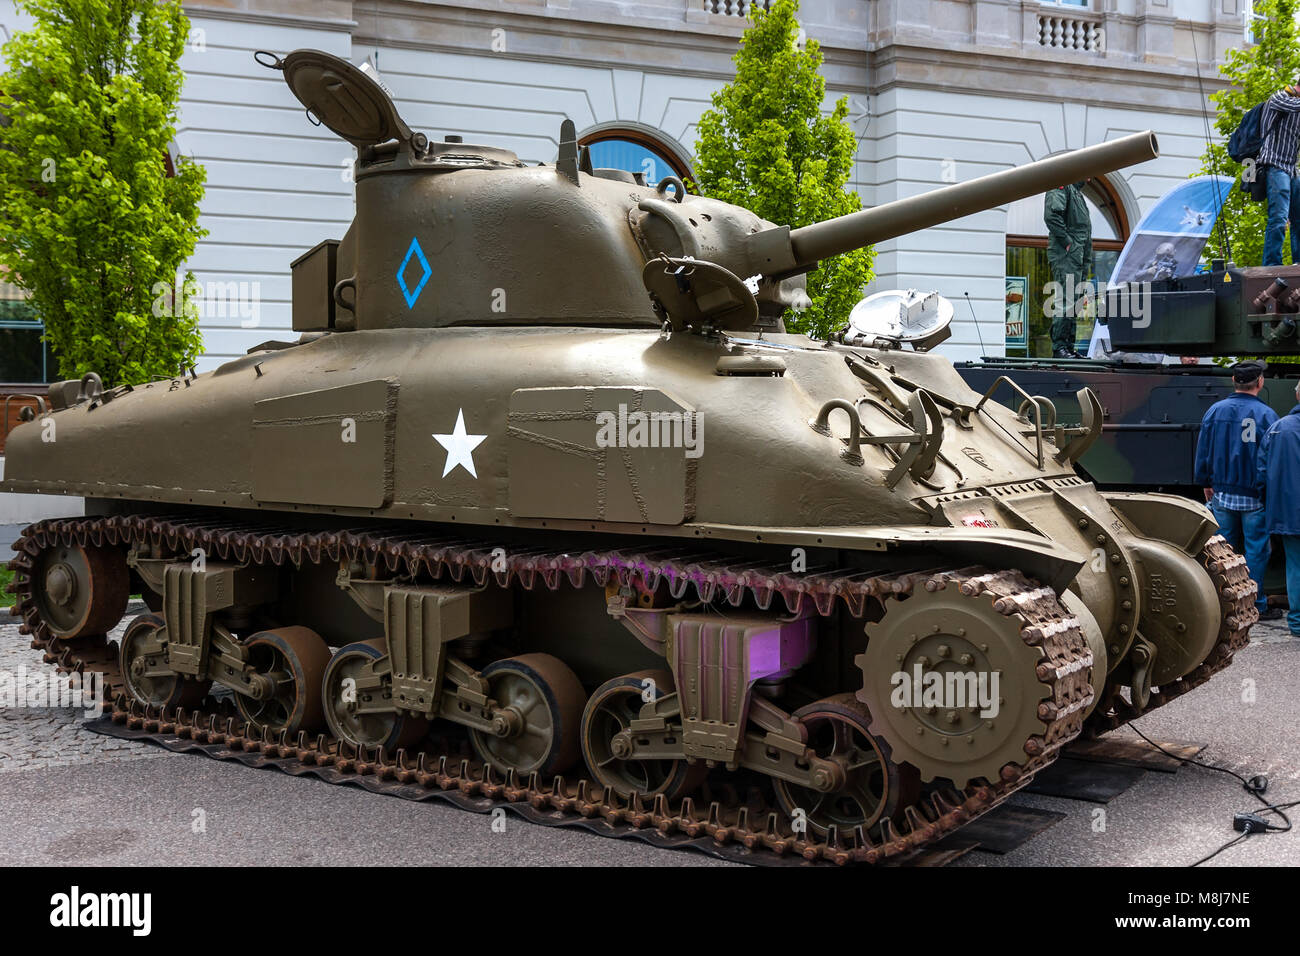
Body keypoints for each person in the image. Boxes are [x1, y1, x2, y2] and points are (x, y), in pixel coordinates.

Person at [1194, 359, 1278, 618]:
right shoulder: (1267, 415)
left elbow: (1204, 450)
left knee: (1223, 551)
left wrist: (1205, 481)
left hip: (1223, 493)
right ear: (1260, 383)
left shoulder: (1215, 411)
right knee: (1257, 550)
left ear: (1234, 380)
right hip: (1254, 496)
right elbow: (1270, 459)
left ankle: (1223, 602)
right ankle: (1255, 603)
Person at [1256, 380, 1300, 636]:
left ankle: (1296, 622)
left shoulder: (1277, 429)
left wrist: (1268, 503)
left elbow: (1261, 474)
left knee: (1295, 566)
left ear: (1296, 396)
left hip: (1289, 512)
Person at [1044, 179, 1093, 359]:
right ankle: (1060, 348)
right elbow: (1052, 216)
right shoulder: (1062, 185)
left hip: (1078, 254)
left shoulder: (1076, 192)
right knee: (1066, 300)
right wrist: (1067, 243)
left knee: (1075, 300)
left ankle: (1068, 347)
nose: (1090, 177)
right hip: (1068, 255)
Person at [1258, 84, 1300, 266]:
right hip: (1275, 165)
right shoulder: (1280, 97)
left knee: (1298, 219)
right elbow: (1293, 106)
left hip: (1292, 169)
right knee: (1279, 218)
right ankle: (1272, 265)